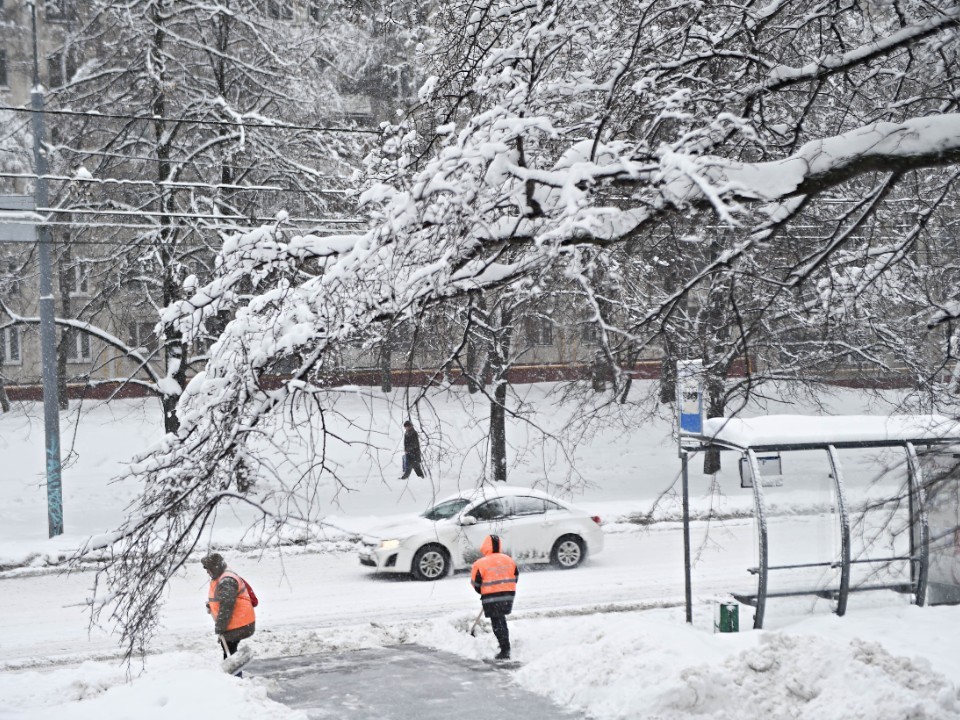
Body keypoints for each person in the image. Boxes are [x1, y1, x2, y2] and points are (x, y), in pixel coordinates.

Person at [202, 553, 256, 675]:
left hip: (240, 622)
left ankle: (235, 679)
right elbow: (222, 600)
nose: (207, 572)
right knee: (229, 649)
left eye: (208, 569)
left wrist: (220, 627)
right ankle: (234, 678)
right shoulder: (222, 576)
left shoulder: (226, 580)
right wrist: (211, 605)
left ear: (215, 567)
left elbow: (227, 606)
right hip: (237, 621)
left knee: (230, 651)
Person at [470, 534, 519, 660]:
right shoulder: (508, 559)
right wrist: (504, 588)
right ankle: (504, 646)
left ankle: (505, 649)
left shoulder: (480, 563)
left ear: (485, 546)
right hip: (508, 595)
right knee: (500, 619)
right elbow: (516, 577)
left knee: (497, 621)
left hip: (491, 597)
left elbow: (476, 584)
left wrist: (484, 591)